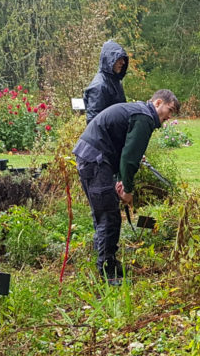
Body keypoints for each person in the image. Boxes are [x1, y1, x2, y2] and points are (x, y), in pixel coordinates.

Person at [73, 89, 180, 285]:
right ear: (157, 103)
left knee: (105, 212)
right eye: (170, 109)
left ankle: (108, 261)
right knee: (109, 215)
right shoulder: (145, 118)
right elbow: (129, 159)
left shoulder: (138, 112)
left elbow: (126, 152)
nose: (170, 116)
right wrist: (128, 190)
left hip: (90, 157)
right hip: (95, 160)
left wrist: (121, 179)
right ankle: (107, 272)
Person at [83, 40, 129, 123]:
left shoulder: (115, 82)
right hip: (106, 135)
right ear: (109, 59)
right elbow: (94, 124)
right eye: (119, 58)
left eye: (123, 59)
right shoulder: (99, 86)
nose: (123, 62)